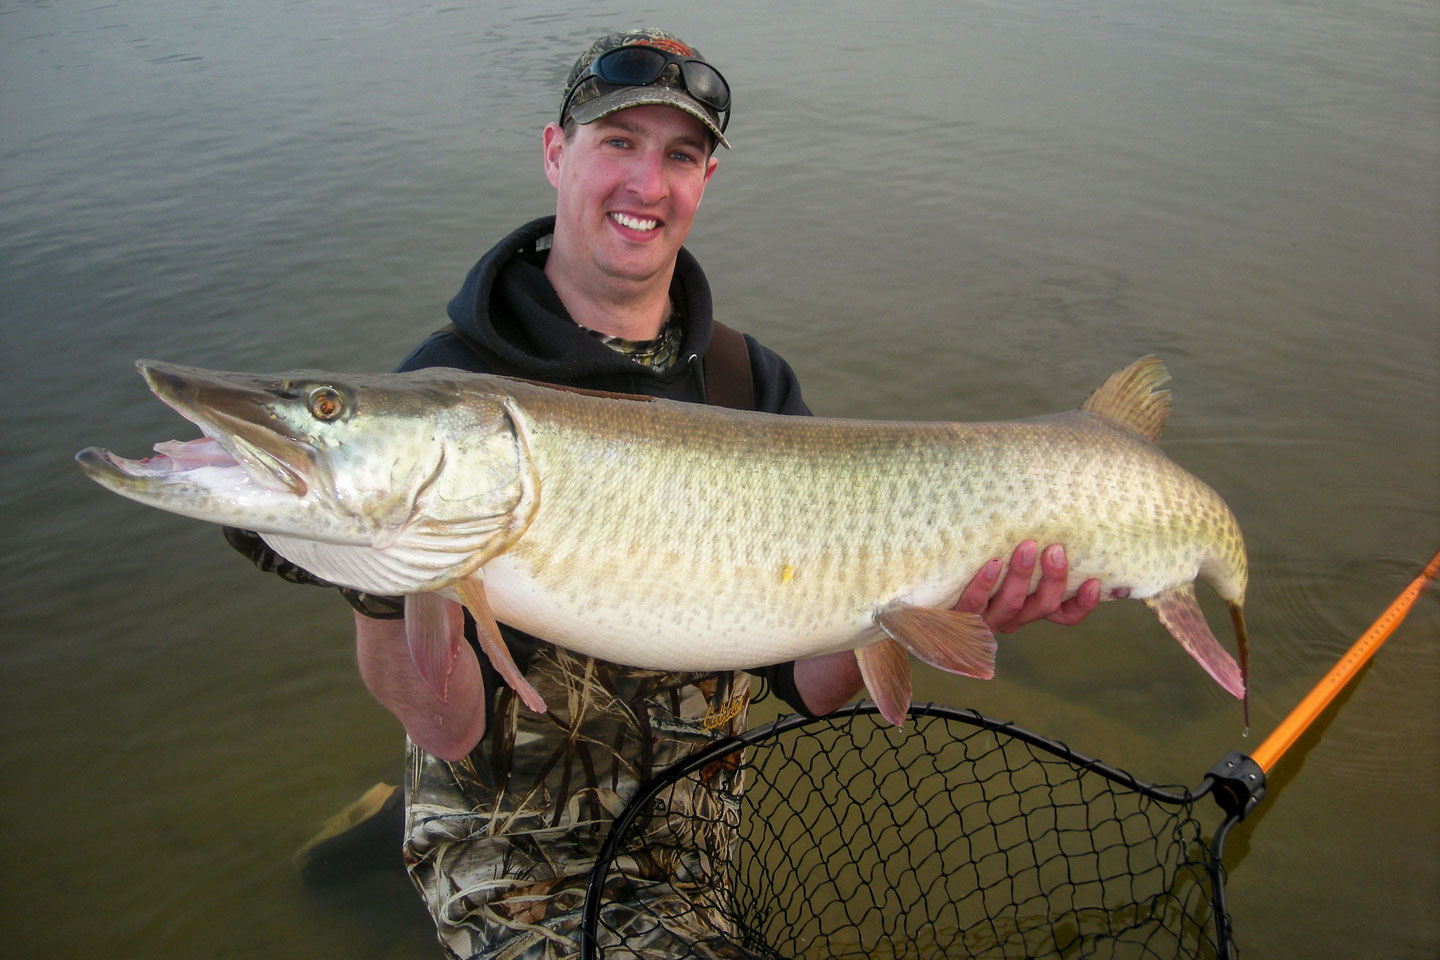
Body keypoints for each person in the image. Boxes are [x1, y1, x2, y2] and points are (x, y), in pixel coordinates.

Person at [235, 28, 1099, 959]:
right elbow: (445, 727)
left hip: (689, 855)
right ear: (555, 154)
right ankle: (402, 836)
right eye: (617, 143)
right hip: (516, 862)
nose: (648, 185)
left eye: (679, 156)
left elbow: (806, 682)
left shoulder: (745, 384)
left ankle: (370, 832)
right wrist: (379, 574)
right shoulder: (454, 392)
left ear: (704, 184)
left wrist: (935, 603)